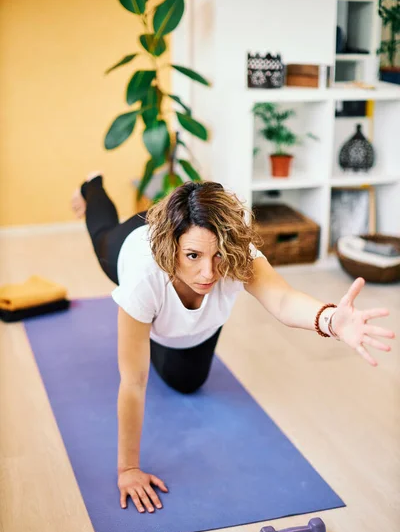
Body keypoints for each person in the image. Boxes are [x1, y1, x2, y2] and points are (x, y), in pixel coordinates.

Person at [72, 173, 395, 514]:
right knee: (102, 238)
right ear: (173, 250)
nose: (208, 274)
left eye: (218, 257)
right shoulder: (142, 279)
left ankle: (160, 334)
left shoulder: (237, 256)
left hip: (192, 327)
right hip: (129, 245)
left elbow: (283, 301)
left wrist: (331, 320)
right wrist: (129, 468)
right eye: (193, 256)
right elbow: (134, 383)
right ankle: (91, 186)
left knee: (187, 383)